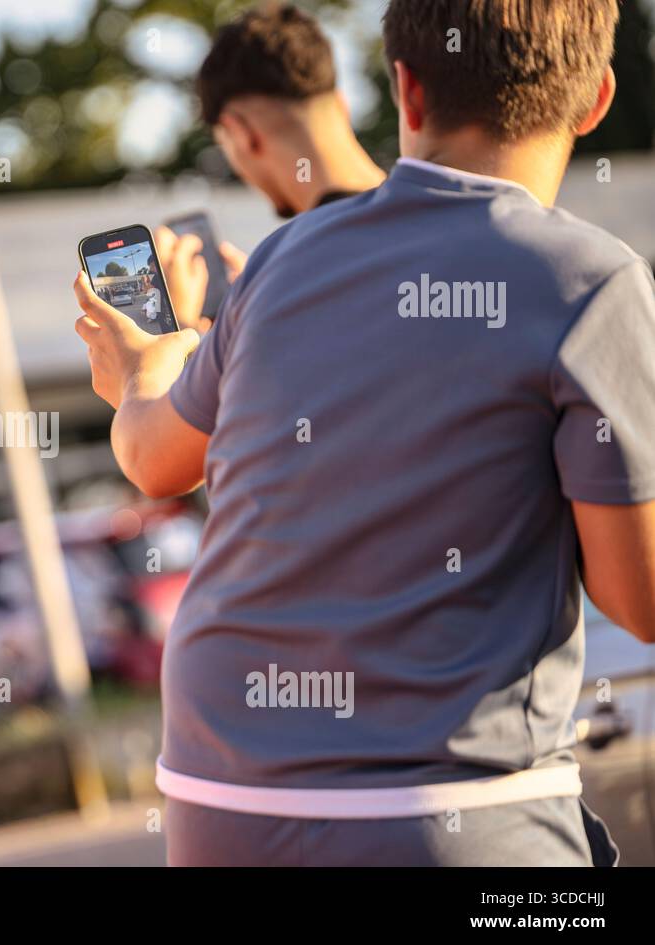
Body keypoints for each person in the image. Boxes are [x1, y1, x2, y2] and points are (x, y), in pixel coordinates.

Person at [74, 0, 655, 866]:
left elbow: (153, 458)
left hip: (212, 799)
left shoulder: (279, 262)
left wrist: (147, 360)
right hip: (452, 811)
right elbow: (638, 598)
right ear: (598, 98)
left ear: (405, 90)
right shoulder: (591, 280)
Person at [159, 3, 386, 333]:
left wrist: (186, 337)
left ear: (241, 133)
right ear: (342, 105)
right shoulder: (456, 214)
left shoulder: (288, 281)